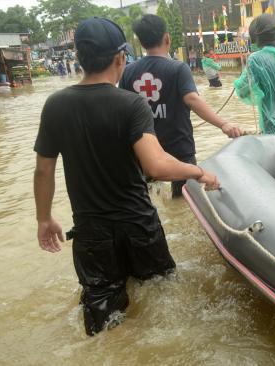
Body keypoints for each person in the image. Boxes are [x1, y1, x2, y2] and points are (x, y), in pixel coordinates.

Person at [33, 17, 220, 336]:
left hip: (92, 234)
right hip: (139, 226)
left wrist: (44, 218)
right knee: (165, 300)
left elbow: (43, 170)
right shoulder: (131, 105)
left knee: (103, 320)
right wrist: (198, 171)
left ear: (79, 58)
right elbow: (156, 166)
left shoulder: (56, 105)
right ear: (121, 57)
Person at [120, 14, 242, 197]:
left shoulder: (128, 72)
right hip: (179, 149)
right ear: (167, 38)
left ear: (141, 42)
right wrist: (223, 124)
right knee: (184, 200)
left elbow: (122, 109)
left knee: (147, 198)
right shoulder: (178, 68)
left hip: (143, 152)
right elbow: (192, 99)